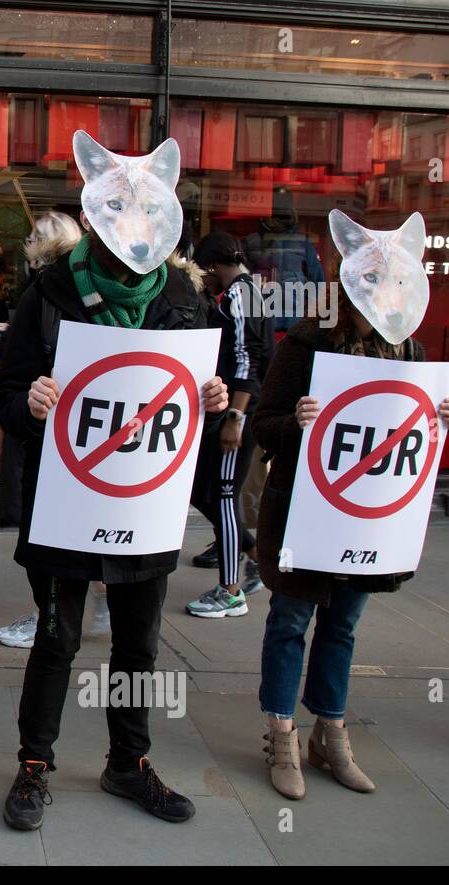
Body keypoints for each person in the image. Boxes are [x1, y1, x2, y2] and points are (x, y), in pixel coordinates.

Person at [0, 132, 229, 832]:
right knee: (59, 637)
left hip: (144, 498)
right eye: (116, 211)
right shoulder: (51, 290)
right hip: (67, 497)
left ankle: (129, 761)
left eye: (143, 212)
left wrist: (213, 406)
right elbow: (8, 392)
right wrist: (27, 403)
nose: (130, 225)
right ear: (94, 217)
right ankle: (34, 762)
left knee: (138, 643)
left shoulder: (183, 296)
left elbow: (192, 407)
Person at [251, 270, 449, 801]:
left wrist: (439, 419)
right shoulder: (303, 345)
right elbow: (262, 423)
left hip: (368, 517)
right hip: (305, 509)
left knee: (342, 623)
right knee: (291, 620)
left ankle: (330, 731)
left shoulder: (409, 350)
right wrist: (295, 421)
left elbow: (410, 431)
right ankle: (281, 735)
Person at [0, 211, 85, 649]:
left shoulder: (49, 290)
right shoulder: (45, 294)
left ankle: (50, 617)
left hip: (58, 440)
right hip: (51, 429)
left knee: (47, 540)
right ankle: (59, 615)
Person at [185, 233, 274, 618]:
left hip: (239, 413)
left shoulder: (240, 296)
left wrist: (235, 418)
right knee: (207, 490)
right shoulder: (248, 293)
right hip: (237, 410)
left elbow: (246, 362)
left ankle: (230, 589)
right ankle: (253, 556)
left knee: (222, 493)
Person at [243, 187, 326, 333]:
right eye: (277, 207)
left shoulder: (304, 244)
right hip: (259, 323)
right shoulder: (251, 243)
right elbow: (241, 284)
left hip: (293, 326)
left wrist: (312, 322)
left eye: (284, 207)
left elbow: (318, 284)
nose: (281, 214)